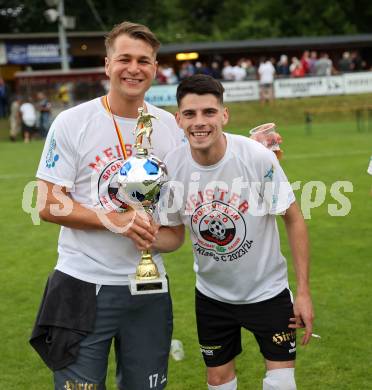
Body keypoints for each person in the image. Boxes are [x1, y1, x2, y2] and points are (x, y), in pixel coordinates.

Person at [31, 21, 185, 390]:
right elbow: (48, 204)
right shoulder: (72, 122)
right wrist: (116, 220)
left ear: (155, 68)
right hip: (82, 285)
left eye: (144, 61)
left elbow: (176, 234)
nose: (134, 68)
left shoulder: (169, 128)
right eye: (125, 59)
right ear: (107, 64)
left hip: (149, 289)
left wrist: (151, 234)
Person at [150, 75, 314, 390]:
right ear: (178, 120)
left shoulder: (255, 157)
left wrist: (303, 291)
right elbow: (173, 235)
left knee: (281, 382)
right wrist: (135, 231)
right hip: (212, 296)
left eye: (209, 112)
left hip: (268, 291)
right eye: (190, 114)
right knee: (218, 380)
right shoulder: (172, 167)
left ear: (224, 115)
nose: (199, 122)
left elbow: (293, 218)